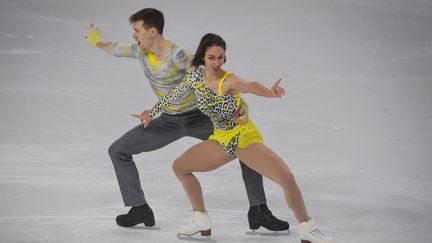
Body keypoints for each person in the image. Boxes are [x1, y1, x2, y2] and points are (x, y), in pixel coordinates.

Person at [85, 8, 289, 231]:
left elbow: (216, 77)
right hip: (168, 121)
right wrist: (96, 42)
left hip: (201, 117)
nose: (134, 35)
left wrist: (241, 107)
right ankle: (139, 208)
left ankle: (258, 209)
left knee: (245, 144)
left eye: (137, 30)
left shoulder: (180, 56)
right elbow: (115, 49)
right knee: (118, 150)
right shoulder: (140, 52)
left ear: (152, 31)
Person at [137, 33, 334, 243]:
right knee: (180, 167)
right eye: (212, 57)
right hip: (220, 139)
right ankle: (200, 219)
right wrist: (152, 112)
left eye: (220, 57)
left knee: (286, 178)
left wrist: (271, 92)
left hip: (242, 138)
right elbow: (174, 94)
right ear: (202, 56)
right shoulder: (195, 76)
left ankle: (307, 228)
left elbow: (250, 85)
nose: (216, 62)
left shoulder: (229, 80)